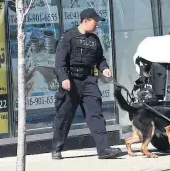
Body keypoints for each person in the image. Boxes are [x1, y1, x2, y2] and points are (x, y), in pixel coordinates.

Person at [51, 8, 121, 159]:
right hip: (71, 82)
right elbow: (59, 61)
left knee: (96, 115)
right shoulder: (68, 37)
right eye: (95, 22)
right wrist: (64, 78)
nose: (97, 25)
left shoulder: (94, 39)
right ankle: (56, 149)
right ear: (85, 21)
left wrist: (105, 68)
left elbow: (100, 59)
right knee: (64, 116)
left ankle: (103, 150)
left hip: (89, 81)